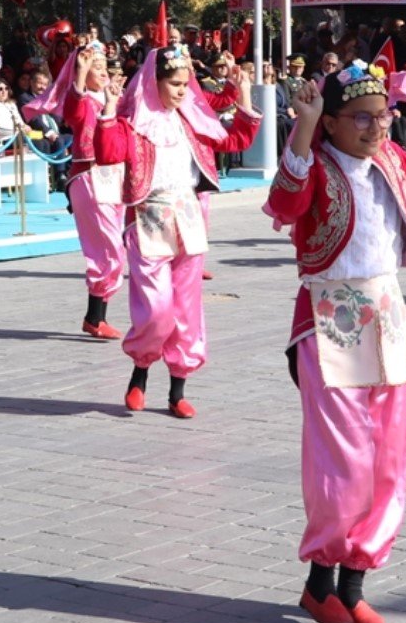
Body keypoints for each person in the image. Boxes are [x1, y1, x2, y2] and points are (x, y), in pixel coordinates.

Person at [265, 55, 406, 623]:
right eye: (363, 119)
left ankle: (353, 583)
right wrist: (303, 125)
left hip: (388, 318)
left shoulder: (393, 162)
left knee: (388, 457)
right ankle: (321, 582)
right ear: (333, 123)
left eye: (384, 115)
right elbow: (285, 204)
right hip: (327, 322)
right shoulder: (315, 166)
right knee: (343, 461)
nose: (378, 127)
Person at [95, 46, 262, 417]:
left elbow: (235, 141)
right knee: (156, 309)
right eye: (174, 83)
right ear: (154, 83)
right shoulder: (133, 122)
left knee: (187, 309)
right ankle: (140, 371)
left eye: (186, 84)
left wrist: (245, 94)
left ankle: (177, 391)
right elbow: (106, 154)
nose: (183, 91)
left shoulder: (191, 121)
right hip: (148, 217)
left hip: (187, 217)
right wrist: (108, 109)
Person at [28, 44, 125, 338]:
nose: (104, 72)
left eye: (104, 67)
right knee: (110, 251)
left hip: (113, 178)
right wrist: (81, 74)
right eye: (97, 67)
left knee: (110, 250)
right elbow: (72, 109)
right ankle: (95, 317)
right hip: (89, 177)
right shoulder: (83, 102)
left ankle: (96, 318)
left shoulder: (108, 99)